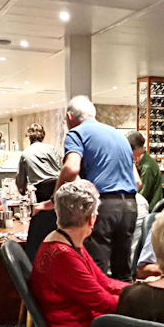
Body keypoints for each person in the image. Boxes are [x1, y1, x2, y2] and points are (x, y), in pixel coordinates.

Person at [30, 180, 129, 327]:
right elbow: (102, 301)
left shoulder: (67, 242)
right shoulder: (64, 255)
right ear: (91, 218)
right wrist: (147, 300)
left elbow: (104, 282)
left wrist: (139, 290)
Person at [49, 95, 138, 281]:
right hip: (129, 206)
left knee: (96, 270)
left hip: (103, 206)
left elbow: (72, 168)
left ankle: (97, 310)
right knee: (123, 271)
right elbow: (137, 182)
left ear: (69, 117)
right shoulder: (119, 136)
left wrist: (55, 197)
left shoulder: (76, 133)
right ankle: (122, 309)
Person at [16, 123, 62, 199]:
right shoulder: (52, 149)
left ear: (29, 137)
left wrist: (22, 191)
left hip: (42, 191)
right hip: (58, 187)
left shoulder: (25, 154)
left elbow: (21, 181)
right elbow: (61, 168)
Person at [127, 130, 163, 210]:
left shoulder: (148, 167)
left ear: (135, 148)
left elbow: (142, 195)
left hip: (149, 210)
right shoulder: (141, 162)